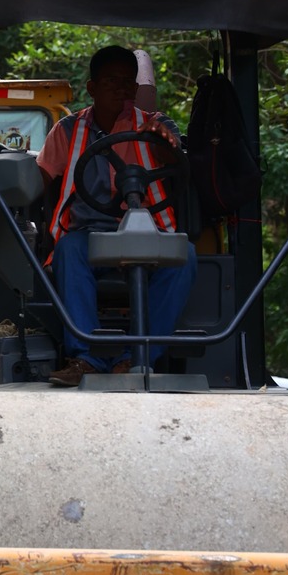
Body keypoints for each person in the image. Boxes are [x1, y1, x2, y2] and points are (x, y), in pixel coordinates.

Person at [36, 45, 197, 386]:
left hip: (150, 231)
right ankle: (86, 357)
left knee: (186, 257)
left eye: (129, 82)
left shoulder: (157, 126)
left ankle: (136, 359)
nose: (123, 89)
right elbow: (39, 181)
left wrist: (165, 144)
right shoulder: (67, 130)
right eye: (112, 81)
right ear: (92, 88)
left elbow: (174, 158)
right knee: (67, 250)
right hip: (90, 235)